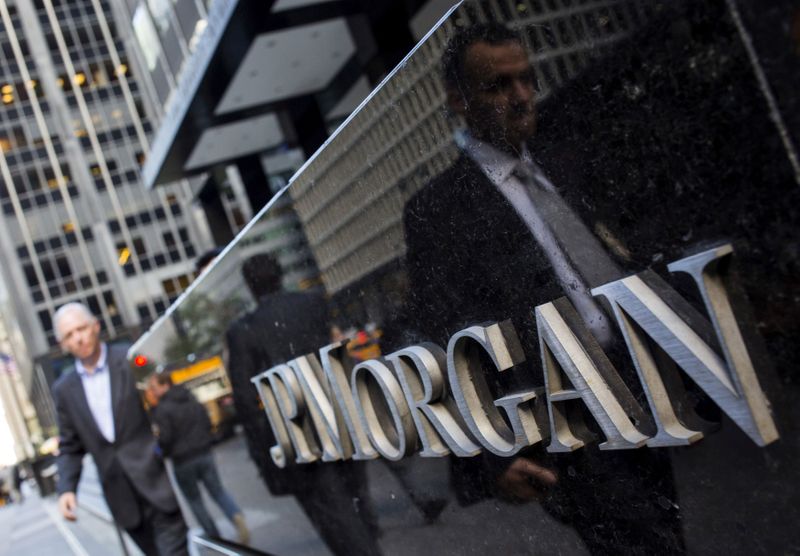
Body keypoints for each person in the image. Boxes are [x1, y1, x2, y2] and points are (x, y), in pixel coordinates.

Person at [403, 22, 686, 554]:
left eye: (526, 80)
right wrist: (494, 456)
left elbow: (635, 248)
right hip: (570, 416)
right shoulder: (437, 211)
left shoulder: (568, 161)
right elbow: (449, 339)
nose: (521, 96)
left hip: (648, 382)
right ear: (459, 101)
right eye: (498, 86)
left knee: (666, 530)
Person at [52, 302, 188, 555]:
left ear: (96, 326)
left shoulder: (129, 358)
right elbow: (70, 445)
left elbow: (163, 404)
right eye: (69, 335)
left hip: (157, 482)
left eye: (81, 328)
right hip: (123, 501)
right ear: (63, 344)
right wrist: (66, 489)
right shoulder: (64, 389)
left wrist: (165, 448)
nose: (78, 338)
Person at [147, 372, 249, 544]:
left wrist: (160, 451)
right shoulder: (190, 397)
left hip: (183, 461)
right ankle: (235, 515)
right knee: (218, 491)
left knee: (195, 501)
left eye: (154, 387)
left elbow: (166, 438)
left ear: (165, 385)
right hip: (204, 453)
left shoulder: (163, 409)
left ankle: (216, 539)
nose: (152, 391)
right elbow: (206, 421)